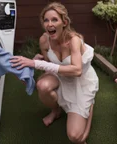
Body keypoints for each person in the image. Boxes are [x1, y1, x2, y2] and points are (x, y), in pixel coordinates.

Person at [10, 2, 99, 144]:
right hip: (61, 76)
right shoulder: (45, 40)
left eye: (54, 20)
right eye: (46, 20)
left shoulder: (74, 40)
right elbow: (49, 65)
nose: (49, 24)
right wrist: (29, 70)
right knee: (42, 85)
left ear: (64, 22)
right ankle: (55, 111)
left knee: (76, 137)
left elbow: (77, 70)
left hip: (80, 81)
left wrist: (35, 63)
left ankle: (89, 104)